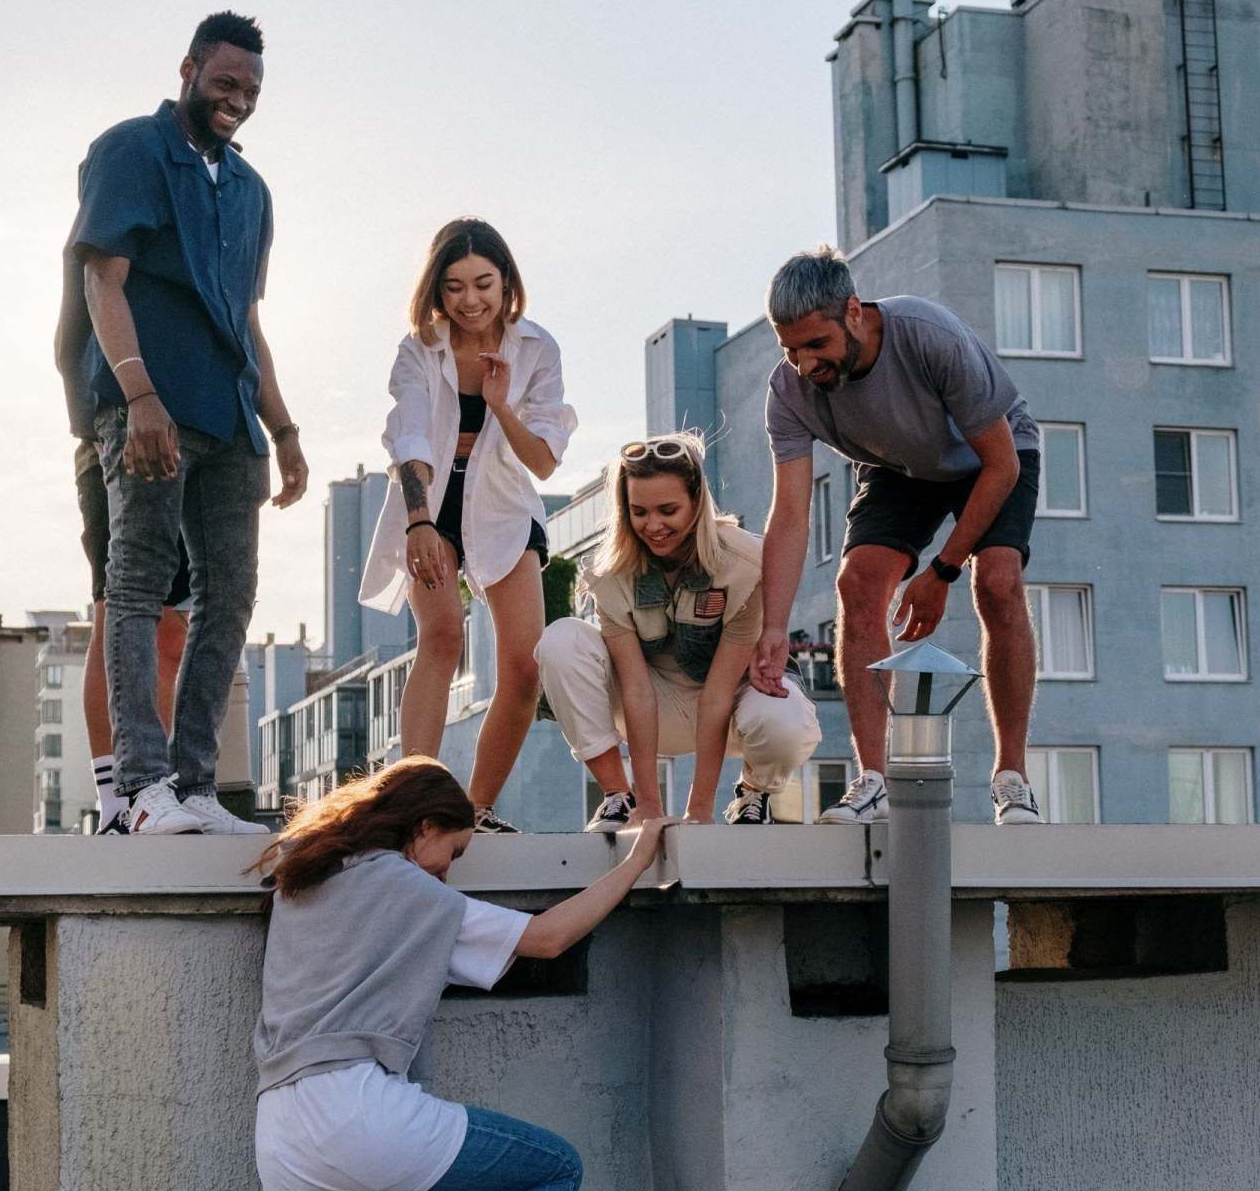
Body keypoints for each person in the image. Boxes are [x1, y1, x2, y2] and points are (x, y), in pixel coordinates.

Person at [55, 11, 308, 835]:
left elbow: (247, 320)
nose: (238, 99)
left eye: (252, 90)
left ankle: (196, 788)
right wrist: (138, 397)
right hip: (148, 412)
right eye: (226, 82)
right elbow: (104, 280)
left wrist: (285, 428)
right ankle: (138, 789)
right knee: (133, 590)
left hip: (230, 421)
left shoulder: (251, 190)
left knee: (229, 599)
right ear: (190, 70)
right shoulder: (131, 149)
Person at [250, 756, 666, 1191]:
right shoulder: (407, 887)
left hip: (281, 1141)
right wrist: (636, 863)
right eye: (455, 850)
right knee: (553, 1170)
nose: (448, 871)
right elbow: (547, 938)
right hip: (355, 1114)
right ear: (425, 827)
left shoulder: (304, 870)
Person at [750, 247, 1043, 826]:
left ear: (854, 312)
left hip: (991, 454)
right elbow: (789, 514)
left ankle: (1012, 778)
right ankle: (874, 782)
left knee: (999, 582)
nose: (805, 365)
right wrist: (775, 627)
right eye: (791, 350)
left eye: (816, 345)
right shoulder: (789, 391)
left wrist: (941, 572)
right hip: (901, 468)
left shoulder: (928, 337)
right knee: (857, 584)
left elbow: (1001, 466)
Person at [358, 219, 577, 834]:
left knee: (524, 665)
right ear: (436, 289)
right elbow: (408, 434)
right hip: (429, 503)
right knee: (443, 637)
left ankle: (474, 810)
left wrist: (501, 403)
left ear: (507, 282)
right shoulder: (418, 349)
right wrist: (420, 521)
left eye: (484, 282)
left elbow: (542, 459)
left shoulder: (537, 349)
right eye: (454, 286)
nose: (470, 299)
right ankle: (417, 806)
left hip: (505, 505)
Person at [536, 433, 821, 831]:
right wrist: (650, 807)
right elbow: (635, 689)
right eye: (639, 512)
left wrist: (699, 812)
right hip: (653, 702)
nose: (653, 526)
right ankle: (620, 798)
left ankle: (753, 793)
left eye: (668, 510)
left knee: (785, 720)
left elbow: (719, 693)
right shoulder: (609, 572)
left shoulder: (745, 565)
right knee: (562, 639)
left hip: (732, 703)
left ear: (697, 504)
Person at [70, 439, 188, 834]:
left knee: (172, 635)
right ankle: (116, 804)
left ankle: (161, 788)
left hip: (185, 449)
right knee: (113, 612)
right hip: (114, 445)